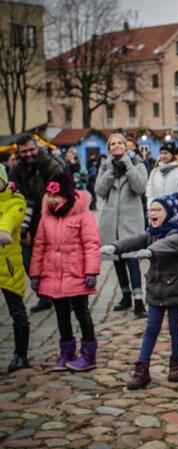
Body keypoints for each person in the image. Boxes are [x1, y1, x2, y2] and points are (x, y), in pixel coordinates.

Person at [102, 192, 178, 390]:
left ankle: (175, 364)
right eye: (151, 209)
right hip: (155, 289)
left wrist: (150, 251)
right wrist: (114, 247)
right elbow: (134, 240)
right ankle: (142, 370)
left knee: (175, 327)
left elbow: (166, 245)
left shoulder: (177, 234)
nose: (153, 213)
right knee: (151, 329)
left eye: (158, 210)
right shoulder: (151, 232)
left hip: (175, 288)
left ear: (169, 213)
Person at [30, 173, 101, 372]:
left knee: (82, 313)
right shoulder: (46, 217)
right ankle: (67, 352)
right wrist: (36, 274)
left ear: (67, 195)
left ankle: (89, 354)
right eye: (50, 195)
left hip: (76, 274)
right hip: (53, 275)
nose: (52, 199)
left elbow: (91, 244)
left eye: (57, 195)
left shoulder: (83, 215)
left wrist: (91, 272)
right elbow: (39, 246)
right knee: (61, 315)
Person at [8, 133, 63, 313]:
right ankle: (43, 296)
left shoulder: (51, 165)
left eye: (31, 149)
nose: (29, 154)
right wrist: (23, 227)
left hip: (51, 218)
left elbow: (61, 194)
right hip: (26, 220)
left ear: (37, 147)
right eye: (24, 151)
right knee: (29, 261)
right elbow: (14, 198)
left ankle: (61, 296)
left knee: (54, 261)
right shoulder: (16, 170)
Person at [95, 132, 148, 318]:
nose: (116, 146)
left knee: (132, 259)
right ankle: (125, 296)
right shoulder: (104, 166)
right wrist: (110, 172)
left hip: (131, 219)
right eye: (112, 143)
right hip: (112, 220)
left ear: (126, 146)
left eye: (120, 143)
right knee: (117, 259)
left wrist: (128, 166)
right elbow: (99, 190)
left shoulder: (137, 164)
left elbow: (141, 187)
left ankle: (139, 301)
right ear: (108, 148)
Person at [0, 164, 30, 373]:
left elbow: (11, 219)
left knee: (16, 310)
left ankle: (21, 355)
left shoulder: (16, 200)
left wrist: (2, 231)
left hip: (8, 266)